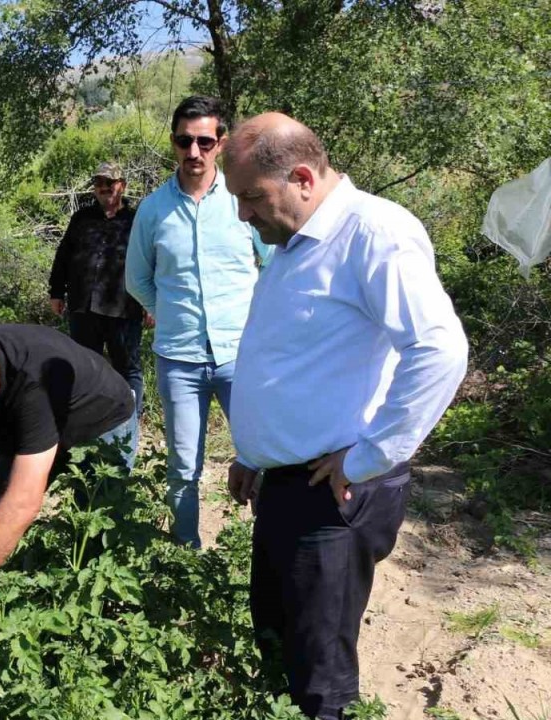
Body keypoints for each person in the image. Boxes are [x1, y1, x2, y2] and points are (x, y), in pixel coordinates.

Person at [221, 113, 468, 719]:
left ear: (302, 177)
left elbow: (438, 351)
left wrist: (369, 457)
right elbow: (297, 356)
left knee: (321, 677)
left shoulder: (373, 234)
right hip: (288, 484)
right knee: (279, 637)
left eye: (251, 197)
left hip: (336, 492)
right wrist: (255, 453)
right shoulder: (296, 237)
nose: (242, 215)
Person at [125, 95, 272, 547]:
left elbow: (272, 265)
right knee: (183, 466)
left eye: (204, 141)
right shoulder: (152, 210)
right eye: (184, 141)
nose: (194, 152)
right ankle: (186, 556)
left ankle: (274, 553)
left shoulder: (242, 199)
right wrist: (170, 311)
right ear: (173, 143)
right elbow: (137, 279)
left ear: (221, 143)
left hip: (241, 356)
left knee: (267, 459)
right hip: (179, 359)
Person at [0, 325, 135, 604]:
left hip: (99, 419)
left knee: (97, 537)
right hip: (20, 427)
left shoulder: (32, 383)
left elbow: (23, 501)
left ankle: (96, 613)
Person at [49, 161, 149, 467]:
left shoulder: (137, 219)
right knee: (83, 367)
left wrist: (150, 302)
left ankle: (130, 423)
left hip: (124, 307)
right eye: (99, 183)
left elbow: (150, 261)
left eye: (111, 182)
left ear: (123, 186)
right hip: (83, 307)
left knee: (127, 368)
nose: (105, 188)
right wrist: (56, 291)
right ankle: (86, 423)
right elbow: (64, 254)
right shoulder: (82, 217)